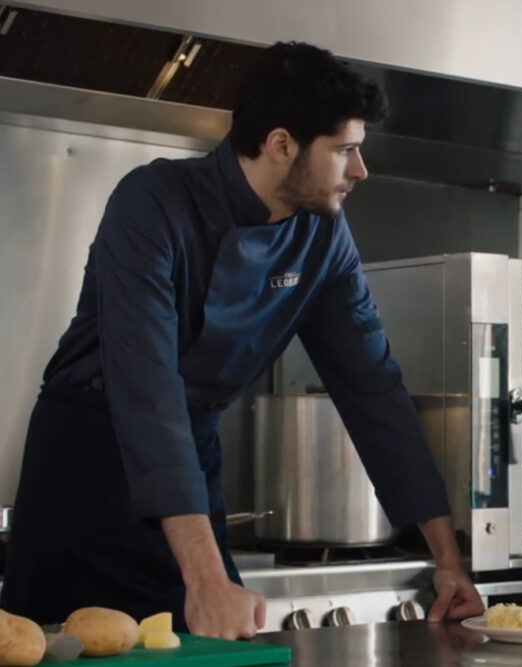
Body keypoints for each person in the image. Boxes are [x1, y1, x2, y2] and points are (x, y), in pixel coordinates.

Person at [0, 41, 484, 638]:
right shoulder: (151, 203)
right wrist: (205, 580)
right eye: (345, 150)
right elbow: (148, 394)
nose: (361, 169)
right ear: (281, 145)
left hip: (188, 466)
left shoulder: (323, 237)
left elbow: (374, 389)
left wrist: (447, 560)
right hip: (88, 468)